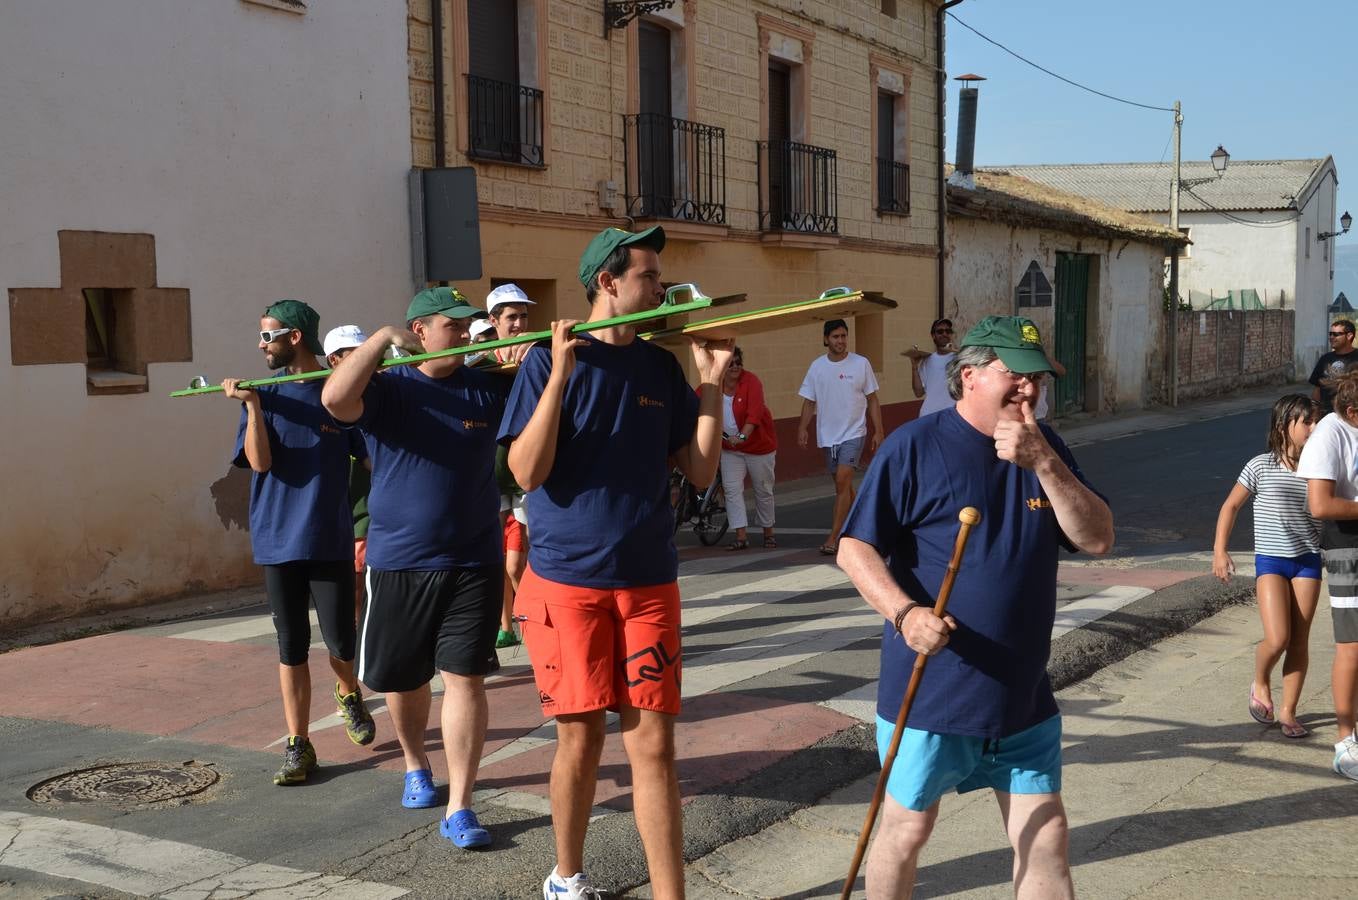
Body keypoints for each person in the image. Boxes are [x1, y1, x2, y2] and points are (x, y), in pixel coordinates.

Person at [837, 315, 1113, 899]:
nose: (1029, 390)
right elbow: (854, 548)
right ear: (969, 376)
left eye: (1037, 379)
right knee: (907, 831)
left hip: (1022, 694)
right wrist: (906, 614)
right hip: (936, 692)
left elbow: (1098, 538)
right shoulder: (914, 447)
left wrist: (1044, 463)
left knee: (1047, 837)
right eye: (1015, 375)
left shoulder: (1047, 449)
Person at [498, 225, 730, 900]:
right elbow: (525, 471)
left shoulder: (659, 367)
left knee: (654, 746)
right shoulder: (550, 360)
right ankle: (566, 876)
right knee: (581, 741)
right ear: (608, 282)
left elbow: (701, 467)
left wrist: (711, 385)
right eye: (649, 276)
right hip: (568, 584)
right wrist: (559, 379)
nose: (661, 287)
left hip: (649, 580)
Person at [321, 287, 507, 848]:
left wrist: (534, 361)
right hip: (400, 560)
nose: (465, 331)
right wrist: (379, 340)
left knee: (466, 680)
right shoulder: (390, 389)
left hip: (476, 557)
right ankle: (414, 765)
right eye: (453, 324)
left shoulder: (487, 386)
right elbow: (334, 400)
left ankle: (461, 805)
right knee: (404, 678)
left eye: (469, 323)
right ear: (420, 330)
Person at [224, 300, 376, 787]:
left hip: (328, 538)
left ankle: (348, 692)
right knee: (291, 647)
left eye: (268, 335)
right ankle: (299, 744)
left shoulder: (336, 396)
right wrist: (251, 408)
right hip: (276, 539)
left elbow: (370, 458)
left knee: (340, 641)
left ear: (296, 338)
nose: (260, 344)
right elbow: (260, 464)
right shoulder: (264, 394)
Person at [1213, 395, 1323, 739]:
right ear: (1283, 426)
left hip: (1308, 561)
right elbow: (1230, 507)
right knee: (1278, 638)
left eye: (1315, 421)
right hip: (1272, 561)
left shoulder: (1319, 470)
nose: (1314, 427)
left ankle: (1289, 712)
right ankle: (1260, 682)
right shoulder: (1260, 465)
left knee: (1300, 642)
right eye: (1306, 422)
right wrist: (1220, 550)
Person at [1296, 369, 1358, 781]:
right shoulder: (1330, 435)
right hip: (1348, 547)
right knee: (1352, 647)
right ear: (1352, 411)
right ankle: (1345, 741)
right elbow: (1319, 505)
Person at [797, 318, 883, 555]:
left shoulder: (860, 363)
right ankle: (867, 523)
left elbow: (872, 399)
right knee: (842, 485)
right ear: (826, 340)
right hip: (828, 436)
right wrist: (802, 428)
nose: (841, 341)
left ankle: (835, 537)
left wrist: (879, 430)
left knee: (843, 482)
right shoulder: (817, 367)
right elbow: (809, 401)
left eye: (844, 336)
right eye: (835, 337)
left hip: (854, 432)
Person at [485, 284, 537, 649]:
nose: (519, 323)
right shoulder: (480, 362)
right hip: (491, 479)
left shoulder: (537, 355)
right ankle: (505, 625)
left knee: (519, 565)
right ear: (494, 321)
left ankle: (534, 626)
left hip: (527, 480)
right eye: (511, 317)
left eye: (523, 315)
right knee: (498, 563)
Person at [325, 325, 374, 630]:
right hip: (343, 520)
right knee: (352, 594)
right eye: (354, 356)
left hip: (373, 517)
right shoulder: (327, 402)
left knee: (372, 591)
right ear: (334, 361)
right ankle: (351, 665)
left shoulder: (380, 395)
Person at [718, 346, 778, 551]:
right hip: (729, 449)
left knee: (763, 490)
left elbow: (755, 415)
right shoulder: (713, 386)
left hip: (758, 447)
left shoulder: (751, 382)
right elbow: (696, 403)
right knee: (732, 489)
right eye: (730, 364)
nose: (735, 367)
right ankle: (740, 535)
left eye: (738, 362)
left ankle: (768, 531)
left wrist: (741, 437)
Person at [903, 318, 957, 417]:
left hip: (951, 417)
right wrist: (914, 367)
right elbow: (918, 393)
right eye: (940, 331)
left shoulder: (959, 359)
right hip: (928, 416)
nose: (944, 334)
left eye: (948, 331)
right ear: (933, 336)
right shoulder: (927, 360)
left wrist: (956, 350)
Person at [1310, 319, 1358, 413]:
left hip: (1351, 416)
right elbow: (1317, 389)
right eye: (1330, 334)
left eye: (1336, 334)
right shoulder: (1325, 359)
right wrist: (1314, 412)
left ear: (1349, 336)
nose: (1331, 337)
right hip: (1326, 415)